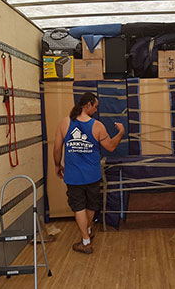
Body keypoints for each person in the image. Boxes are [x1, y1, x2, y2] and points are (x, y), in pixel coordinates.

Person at [53, 92, 124, 254]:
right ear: (88, 105)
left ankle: (85, 239)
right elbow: (111, 147)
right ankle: (87, 235)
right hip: (92, 175)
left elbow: (57, 148)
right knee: (90, 205)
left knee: (79, 207)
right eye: (96, 106)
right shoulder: (97, 126)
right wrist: (120, 132)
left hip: (73, 176)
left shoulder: (65, 123)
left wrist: (57, 165)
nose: (96, 110)